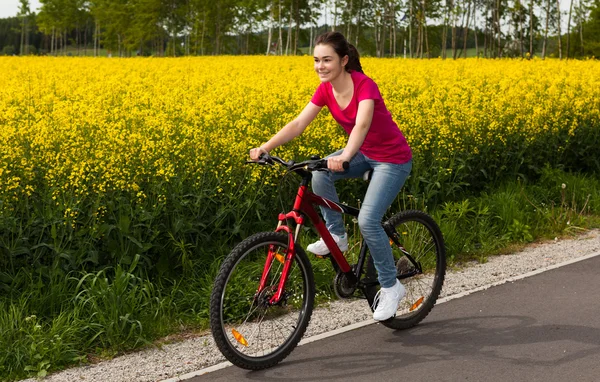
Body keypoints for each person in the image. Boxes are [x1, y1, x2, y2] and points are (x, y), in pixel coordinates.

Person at [249, 31, 413, 321]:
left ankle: (391, 286)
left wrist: (345, 157)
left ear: (344, 60)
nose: (320, 66)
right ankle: (337, 236)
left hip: (391, 159)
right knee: (318, 173)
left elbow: (362, 126)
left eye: (327, 60)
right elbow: (299, 122)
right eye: (316, 60)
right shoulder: (325, 90)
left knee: (367, 220)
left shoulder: (365, 86)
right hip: (362, 152)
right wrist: (265, 147)